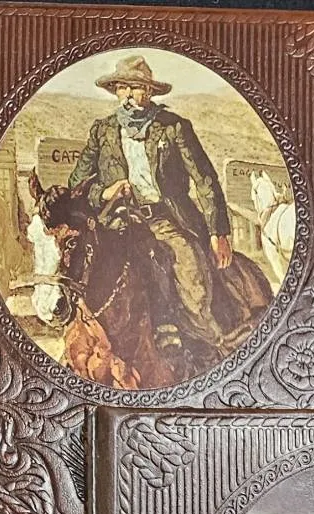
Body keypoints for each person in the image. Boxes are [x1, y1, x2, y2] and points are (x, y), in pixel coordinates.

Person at [65, 55, 234, 350]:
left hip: (163, 220)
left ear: (150, 91)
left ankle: (207, 344)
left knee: (190, 275)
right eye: (122, 87)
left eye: (136, 87)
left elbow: (205, 180)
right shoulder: (102, 130)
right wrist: (105, 193)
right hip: (115, 222)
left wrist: (218, 232)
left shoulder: (174, 127)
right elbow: (75, 185)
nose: (128, 95)